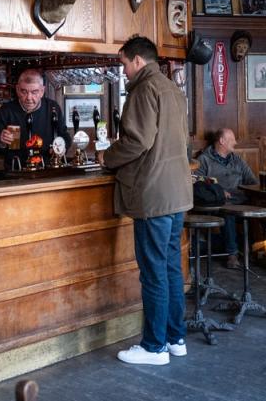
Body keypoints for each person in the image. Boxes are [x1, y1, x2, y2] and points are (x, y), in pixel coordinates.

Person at [95, 36, 191, 366]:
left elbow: (137, 141)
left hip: (153, 194)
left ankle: (153, 347)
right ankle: (175, 338)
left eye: (123, 64)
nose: (122, 71)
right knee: (170, 269)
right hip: (177, 192)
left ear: (137, 61)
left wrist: (107, 157)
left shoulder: (142, 89)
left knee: (153, 274)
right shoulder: (171, 88)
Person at [0, 69, 70, 170]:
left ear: (42, 91)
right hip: (16, 172)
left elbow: (64, 136)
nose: (29, 98)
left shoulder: (52, 108)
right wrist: (1, 141)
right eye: (24, 91)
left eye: (34, 92)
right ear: (17, 89)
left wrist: (62, 147)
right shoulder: (7, 111)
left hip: (47, 170)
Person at [196, 128, 257, 268]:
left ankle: (259, 249)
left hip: (240, 199)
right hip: (217, 202)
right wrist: (219, 191)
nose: (235, 142)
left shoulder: (237, 160)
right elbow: (197, 183)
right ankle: (232, 254)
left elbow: (252, 182)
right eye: (232, 140)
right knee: (228, 212)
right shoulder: (204, 160)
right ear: (222, 141)